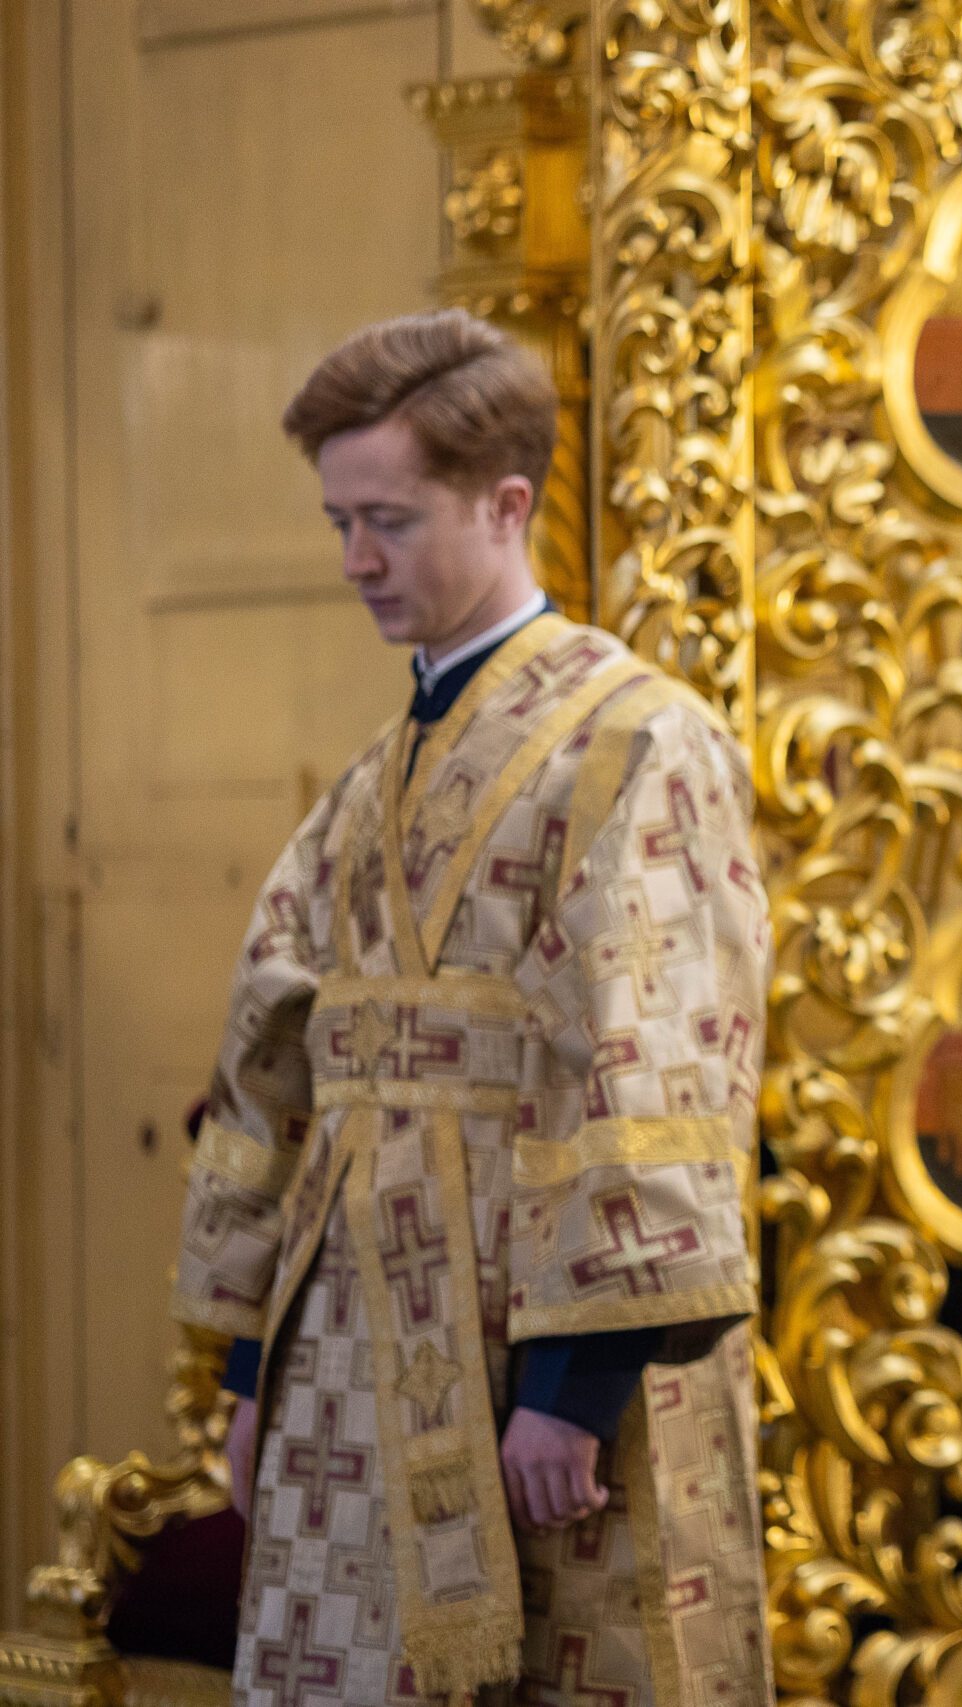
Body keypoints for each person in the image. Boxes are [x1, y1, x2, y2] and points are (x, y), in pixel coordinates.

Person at [171, 310, 771, 1704]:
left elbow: (655, 1056)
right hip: (345, 1359)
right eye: (340, 522)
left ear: (507, 504)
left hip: (538, 1361)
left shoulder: (636, 740)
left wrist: (572, 1388)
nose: (355, 560)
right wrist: (256, 1366)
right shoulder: (369, 781)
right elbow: (280, 1064)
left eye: (388, 520)